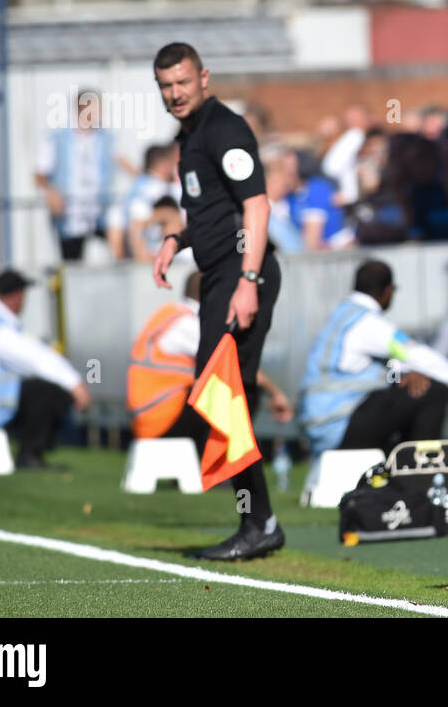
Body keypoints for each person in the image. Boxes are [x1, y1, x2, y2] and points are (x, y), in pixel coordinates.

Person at [149, 41, 284, 562]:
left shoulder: (224, 128)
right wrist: (175, 241)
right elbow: (210, 214)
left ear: (204, 77)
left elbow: (256, 205)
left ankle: (261, 522)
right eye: (166, 86)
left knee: (220, 395)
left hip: (238, 274)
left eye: (183, 82)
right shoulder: (191, 137)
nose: (176, 93)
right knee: (226, 399)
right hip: (221, 274)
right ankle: (259, 521)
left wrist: (247, 280)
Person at [299, 260, 448, 457]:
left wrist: (406, 373)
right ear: (388, 290)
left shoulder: (340, 316)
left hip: (319, 426)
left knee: (417, 384)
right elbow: (418, 355)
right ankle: (418, 473)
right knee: (433, 390)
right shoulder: (368, 323)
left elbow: (361, 366)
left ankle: (402, 468)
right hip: (339, 424)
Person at [0, 268, 92, 468]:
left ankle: (31, 453)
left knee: (36, 387)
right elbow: (35, 358)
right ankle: (31, 455)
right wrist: (74, 383)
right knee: (45, 390)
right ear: (16, 296)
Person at [127, 270, 293, 444]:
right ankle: (225, 462)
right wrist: (276, 393)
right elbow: (234, 365)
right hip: (162, 419)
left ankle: (217, 457)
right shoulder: (188, 325)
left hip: (151, 416)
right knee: (244, 386)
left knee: (219, 388)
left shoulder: (170, 313)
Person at [35, 90, 117, 262]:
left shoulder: (104, 138)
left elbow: (120, 159)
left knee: (115, 248)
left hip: (98, 211)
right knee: (72, 261)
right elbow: (40, 173)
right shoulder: (58, 137)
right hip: (70, 213)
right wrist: (52, 194)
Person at [108, 143, 181, 261]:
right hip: (154, 255)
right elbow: (137, 223)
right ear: (162, 164)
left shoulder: (138, 186)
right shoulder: (154, 188)